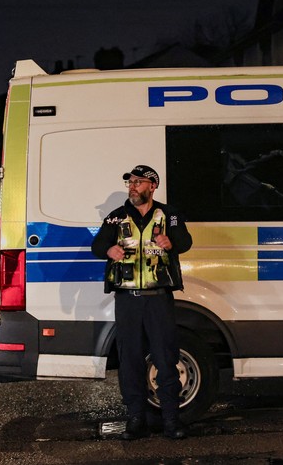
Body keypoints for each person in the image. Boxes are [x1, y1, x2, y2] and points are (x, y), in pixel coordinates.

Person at [91, 165, 193, 440]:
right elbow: (97, 245)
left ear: (152, 186)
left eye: (138, 182)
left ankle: (171, 420)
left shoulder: (168, 214)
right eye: (130, 183)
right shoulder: (116, 218)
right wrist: (108, 249)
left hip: (158, 299)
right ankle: (136, 419)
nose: (132, 187)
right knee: (131, 360)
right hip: (127, 300)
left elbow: (185, 241)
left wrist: (170, 242)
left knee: (165, 357)